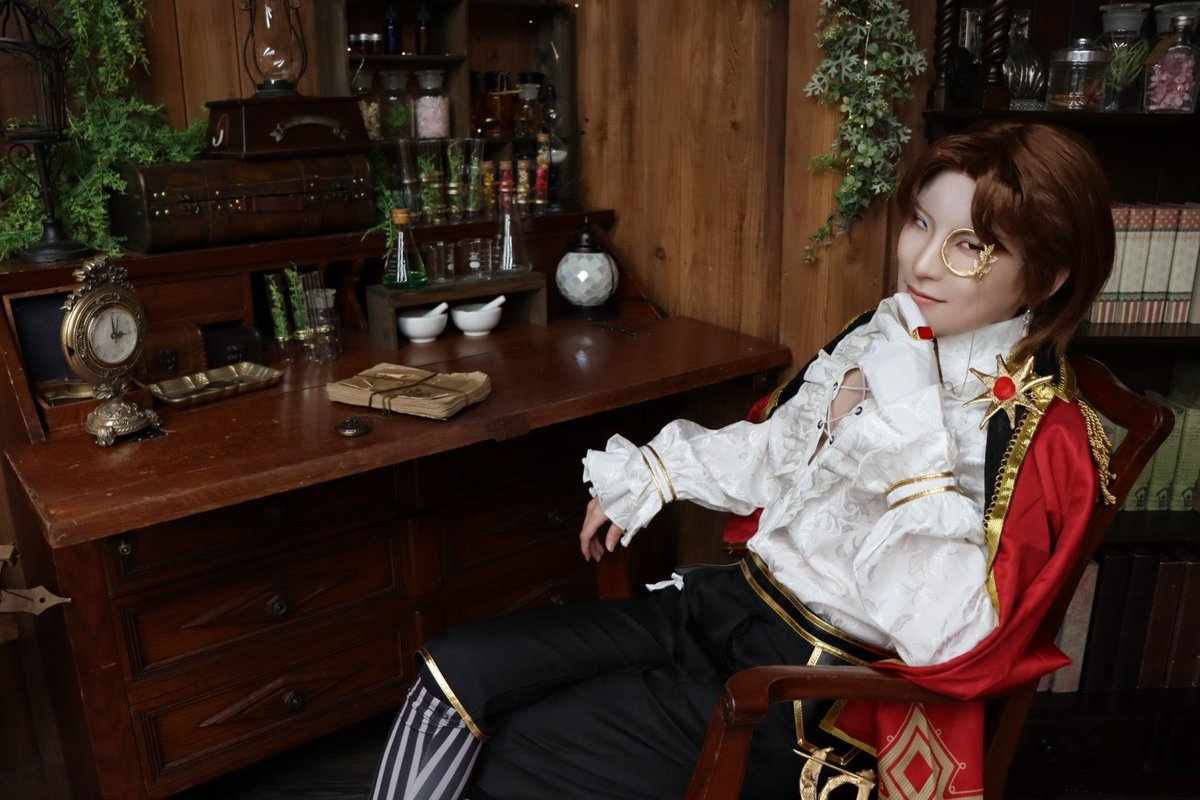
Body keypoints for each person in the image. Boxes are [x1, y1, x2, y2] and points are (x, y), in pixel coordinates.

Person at [369, 121, 1116, 800]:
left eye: (970, 246)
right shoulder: (884, 332)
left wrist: (913, 427)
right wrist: (658, 473)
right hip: (724, 610)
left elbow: (953, 643)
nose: (922, 263)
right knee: (454, 673)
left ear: (1046, 277)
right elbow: (778, 450)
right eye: (921, 222)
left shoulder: (1039, 434)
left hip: (812, 698)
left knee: (523, 751)